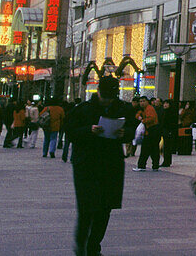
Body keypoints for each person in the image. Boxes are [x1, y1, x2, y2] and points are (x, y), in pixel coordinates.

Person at [65, 75, 136, 256]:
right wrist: (89, 130)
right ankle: (81, 246)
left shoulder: (123, 108)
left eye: (110, 98)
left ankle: (94, 247)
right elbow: (70, 132)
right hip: (86, 164)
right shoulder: (83, 109)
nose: (107, 101)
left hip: (111, 164)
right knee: (87, 208)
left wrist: (124, 133)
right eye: (105, 98)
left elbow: (133, 130)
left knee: (105, 208)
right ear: (98, 92)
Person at [134, 95, 161, 171]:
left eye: (143, 101)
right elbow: (138, 114)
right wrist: (138, 116)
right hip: (152, 131)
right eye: (140, 101)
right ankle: (155, 166)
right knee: (153, 149)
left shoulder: (149, 109)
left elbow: (151, 118)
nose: (141, 103)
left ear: (147, 101)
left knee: (146, 149)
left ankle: (141, 166)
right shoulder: (144, 109)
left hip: (151, 130)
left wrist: (143, 120)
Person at [160, 98, 179, 167]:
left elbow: (172, 123)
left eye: (167, 103)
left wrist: (170, 131)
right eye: (164, 103)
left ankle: (167, 161)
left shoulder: (171, 113)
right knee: (166, 147)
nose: (165, 105)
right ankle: (167, 161)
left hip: (168, 131)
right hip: (165, 131)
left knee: (167, 147)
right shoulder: (164, 111)